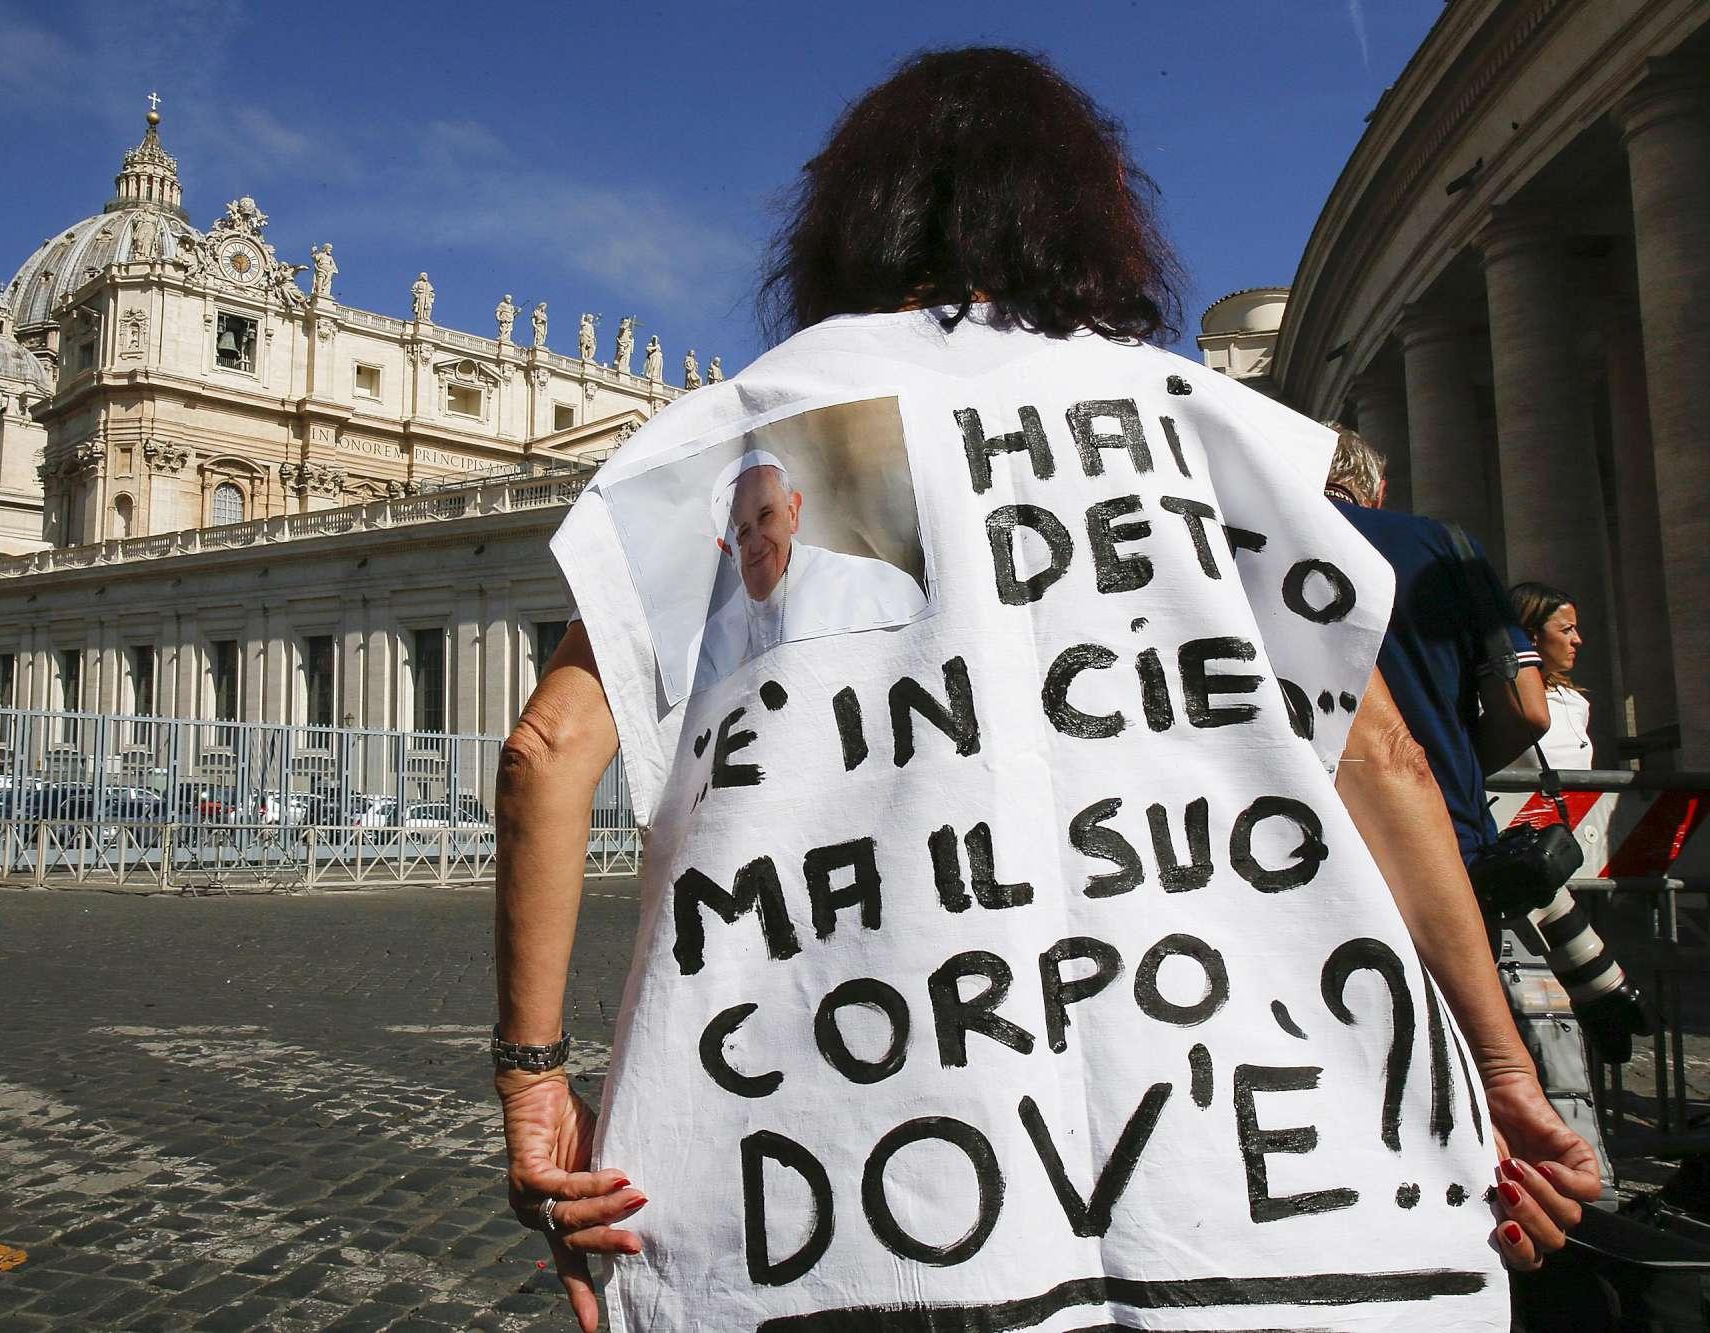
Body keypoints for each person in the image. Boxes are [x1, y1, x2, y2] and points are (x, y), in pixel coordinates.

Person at [495, 49, 1598, 1333]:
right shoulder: (1193, 419)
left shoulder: (748, 435)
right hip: (1243, 1164)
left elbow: (545, 753)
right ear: (1077, 214)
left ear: (846, 223)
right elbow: (1386, 762)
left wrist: (533, 1086)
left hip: (841, 1179)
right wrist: (1504, 1065)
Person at [1324, 430, 1553, 869]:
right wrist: (1441, 772)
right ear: (1380, 490)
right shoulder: (1442, 545)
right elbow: (1527, 710)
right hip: (1442, 836)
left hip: (1294, 847)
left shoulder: (1242, 553)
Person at [692, 451, 926, 681]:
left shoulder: (880, 587)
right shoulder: (709, 648)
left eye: (766, 516)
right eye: (742, 533)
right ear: (727, 549)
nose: (757, 544)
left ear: (792, 513)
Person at [1507, 583, 1593, 772]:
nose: (1577, 640)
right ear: (1531, 635)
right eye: (1566, 630)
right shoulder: (1491, 702)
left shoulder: (1575, 701)